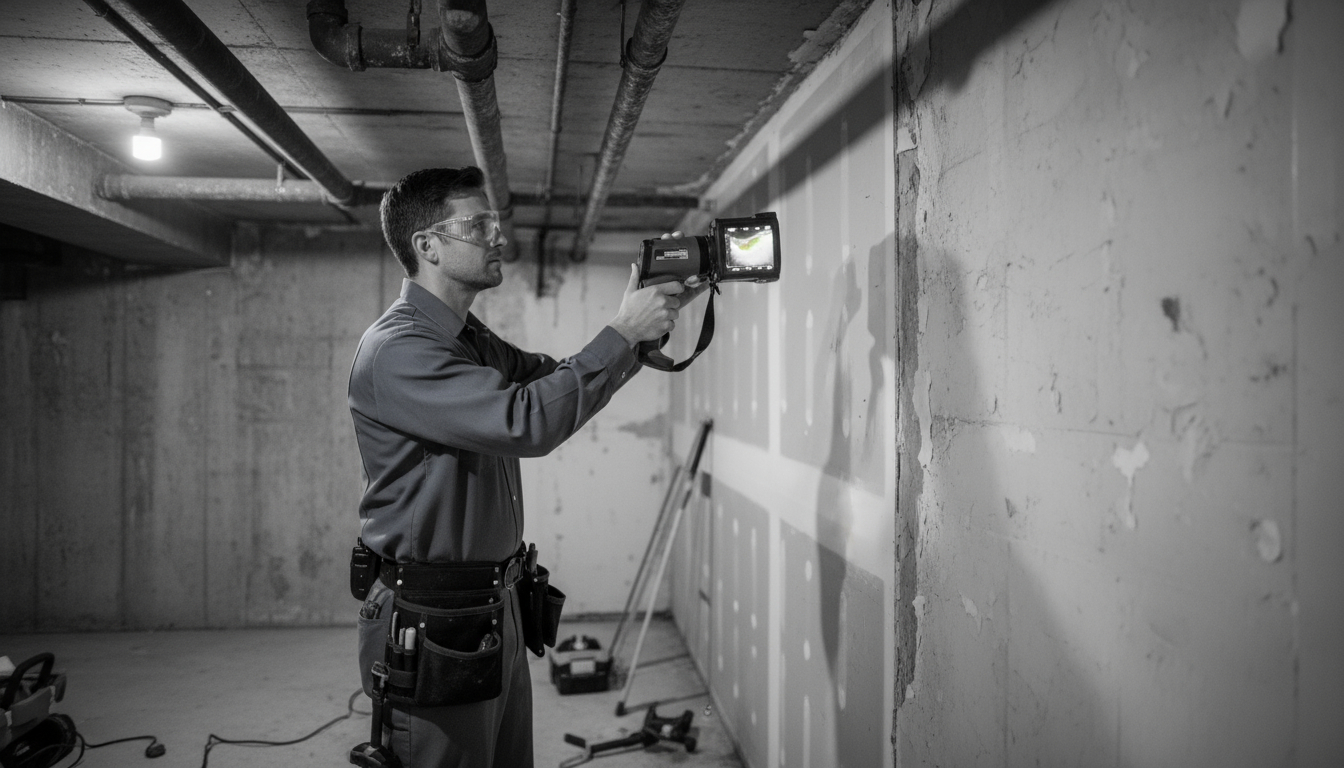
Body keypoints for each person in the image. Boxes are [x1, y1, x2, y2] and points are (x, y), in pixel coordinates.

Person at [347, 166, 700, 767]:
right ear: (426, 245)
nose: (497, 234)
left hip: (493, 606)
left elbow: (550, 382)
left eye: (494, 221)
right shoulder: (398, 350)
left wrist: (638, 331)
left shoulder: (466, 337)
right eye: (478, 223)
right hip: (434, 621)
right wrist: (621, 332)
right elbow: (527, 421)